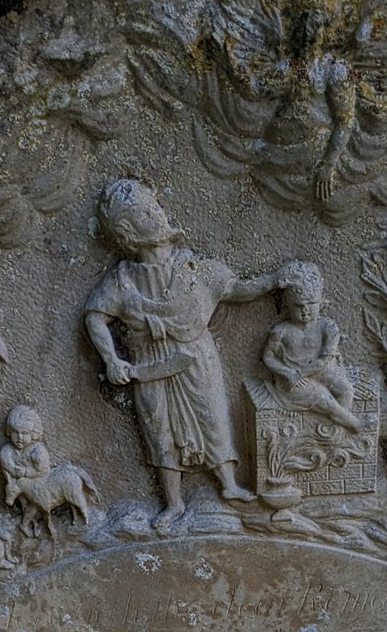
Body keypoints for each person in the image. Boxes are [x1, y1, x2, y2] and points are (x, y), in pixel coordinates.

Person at [84, 178, 284, 529]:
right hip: (148, 364)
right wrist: (112, 358)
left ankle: (229, 485)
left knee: (211, 417)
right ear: (129, 232)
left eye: (156, 206)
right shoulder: (123, 280)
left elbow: (235, 288)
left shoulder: (193, 268)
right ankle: (173, 503)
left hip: (194, 357)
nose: (158, 214)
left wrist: (274, 282)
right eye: (147, 212)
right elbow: (95, 316)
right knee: (159, 429)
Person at [261, 261, 361, 431]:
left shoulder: (327, 328)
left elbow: (323, 360)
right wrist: (288, 373)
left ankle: (333, 432)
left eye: (311, 304)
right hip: (291, 380)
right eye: (298, 306)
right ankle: (354, 424)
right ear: (287, 304)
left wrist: (299, 374)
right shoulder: (281, 331)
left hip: (318, 371)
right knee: (323, 397)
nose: (305, 310)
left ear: (320, 301)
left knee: (346, 390)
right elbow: (268, 357)